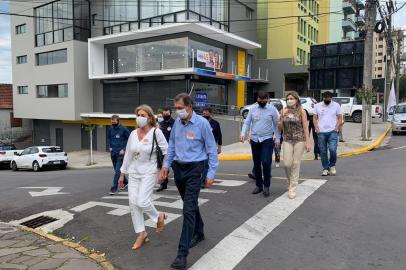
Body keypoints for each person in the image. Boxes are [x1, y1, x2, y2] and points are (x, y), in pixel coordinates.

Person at [160, 93, 218, 270]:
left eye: (180, 108)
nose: (178, 112)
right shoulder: (177, 123)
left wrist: (211, 173)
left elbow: (211, 149)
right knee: (189, 204)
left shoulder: (203, 124)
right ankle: (199, 231)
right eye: (176, 108)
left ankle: (182, 254)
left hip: (195, 169)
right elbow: (171, 146)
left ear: (189, 106)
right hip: (179, 168)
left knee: (187, 209)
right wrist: (166, 165)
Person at [118, 105, 168, 250]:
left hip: (149, 171)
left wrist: (164, 169)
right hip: (134, 172)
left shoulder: (156, 133)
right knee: (133, 204)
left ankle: (158, 217)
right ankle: (142, 233)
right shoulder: (133, 134)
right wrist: (122, 174)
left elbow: (167, 151)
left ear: (150, 117)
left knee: (143, 201)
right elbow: (128, 154)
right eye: (138, 115)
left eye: (142, 115)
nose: (139, 117)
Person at [240, 91, 281, 197]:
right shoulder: (252, 109)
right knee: (257, 163)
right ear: (257, 99)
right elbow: (247, 122)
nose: (261, 102)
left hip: (267, 139)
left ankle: (266, 186)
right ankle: (259, 185)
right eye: (259, 100)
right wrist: (243, 133)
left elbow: (276, 125)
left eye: (264, 100)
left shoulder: (272, 109)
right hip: (254, 139)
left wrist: (277, 139)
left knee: (266, 162)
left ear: (267, 99)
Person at [279, 91, 311, 199]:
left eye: (291, 98)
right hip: (287, 139)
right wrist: (282, 117)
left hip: (299, 139)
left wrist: (308, 142)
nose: (289, 100)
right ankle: (290, 182)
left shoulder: (302, 111)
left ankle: (292, 188)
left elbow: (306, 127)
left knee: (296, 163)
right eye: (288, 99)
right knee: (287, 164)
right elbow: (280, 128)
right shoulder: (283, 111)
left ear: (296, 100)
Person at [313, 91, 343, 176]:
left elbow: (340, 117)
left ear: (331, 98)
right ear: (323, 98)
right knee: (323, 151)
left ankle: (332, 165)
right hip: (321, 132)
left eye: (329, 97)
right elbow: (314, 118)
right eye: (326, 97)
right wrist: (316, 127)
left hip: (332, 131)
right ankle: (326, 168)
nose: (327, 99)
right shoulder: (317, 106)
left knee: (333, 150)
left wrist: (337, 127)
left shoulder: (336, 105)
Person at [107, 115, 130, 195]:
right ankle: (126, 182)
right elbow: (109, 138)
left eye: (114, 121)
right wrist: (110, 147)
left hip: (121, 153)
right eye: (112, 121)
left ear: (118, 121)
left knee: (117, 171)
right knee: (117, 170)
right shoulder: (110, 129)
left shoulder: (124, 129)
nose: (113, 123)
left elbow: (129, 139)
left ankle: (114, 188)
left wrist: (124, 149)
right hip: (113, 153)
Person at [201, 107, 222, 188]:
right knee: (205, 163)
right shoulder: (200, 123)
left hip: (213, 146)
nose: (205, 114)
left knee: (210, 163)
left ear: (210, 113)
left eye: (206, 113)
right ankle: (203, 180)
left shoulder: (215, 123)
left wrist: (219, 147)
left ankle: (207, 178)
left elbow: (219, 136)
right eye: (203, 113)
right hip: (203, 146)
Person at [157, 107, 175, 192]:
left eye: (167, 114)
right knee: (163, 167)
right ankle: (163, 184)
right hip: (163, 150)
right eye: (164, 114)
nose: (165, 115)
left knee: (176, 167)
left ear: (170, 113)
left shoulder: (175, 123)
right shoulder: (161, 124)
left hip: (173, 149)